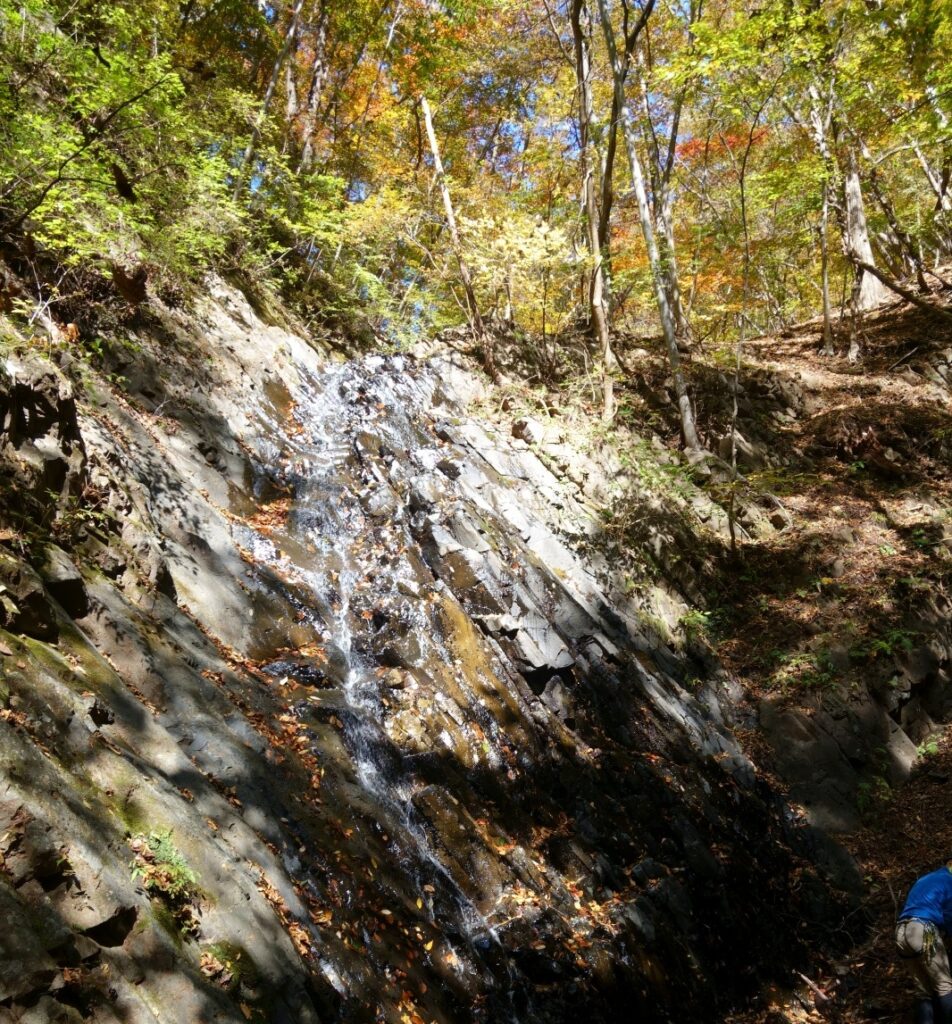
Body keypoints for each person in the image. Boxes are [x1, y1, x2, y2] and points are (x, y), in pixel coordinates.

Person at [897, 861, 952, 1023]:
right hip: (922, 930)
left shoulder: (927, 878)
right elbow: (950, 918)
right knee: (944, 986)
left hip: (901, 931)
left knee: (923, 991)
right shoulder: (949, 883)